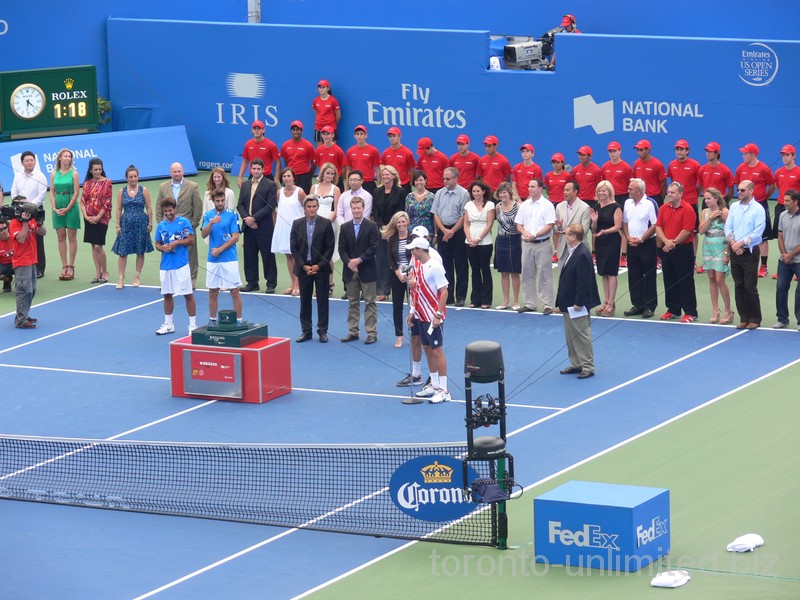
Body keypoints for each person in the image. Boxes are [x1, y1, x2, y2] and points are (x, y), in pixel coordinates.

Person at [406, 236, 451, 404]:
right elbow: (417, 291)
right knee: (427, 348)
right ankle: (434, 384)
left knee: (437, 350)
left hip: (432, 316)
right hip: (420, 314)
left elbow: (444, 291)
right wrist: (412, 311)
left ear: (420, 250)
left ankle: (444, 389)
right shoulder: (418, 266)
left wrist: (438, 315)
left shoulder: (435, 267)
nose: (411, 252)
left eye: (413, 249)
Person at [556, 224, 600, 380]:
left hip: (576, 304)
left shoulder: (582, 254)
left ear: (574, 237)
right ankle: (576, 363)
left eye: (567, 234)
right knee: (571, 335)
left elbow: (584, 281)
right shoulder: (573, 251)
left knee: (581, 334)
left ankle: (587, 366)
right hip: (568, 303)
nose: (565, 236)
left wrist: (579, 302)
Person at [290, 195, 335, 343]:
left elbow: (330, 247)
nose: (312, 209)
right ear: (304, 208)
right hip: (304, 270)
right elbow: (294, 248)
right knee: (305, 301)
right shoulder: (296, 224)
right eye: (309, 207)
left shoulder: (326, 223)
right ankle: (306, 331)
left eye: (314, 206)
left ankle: (322, 331)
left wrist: (319, 265)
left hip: (320, 269)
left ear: (317, 207)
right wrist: (303, 265)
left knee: (322, 302)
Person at [724, 180, 766, 329]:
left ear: (751, 191)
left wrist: (740, 244)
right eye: (738, 190)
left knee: (750, 286)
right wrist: (733, 243)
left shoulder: (758, 209)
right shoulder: (734, 207)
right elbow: (728, 226)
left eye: (742, 190)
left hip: (750, 252)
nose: (739, 193)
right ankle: (744, 317)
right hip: (736, 251)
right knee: (739, 285)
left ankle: (755, 318)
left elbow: (757, 233)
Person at [339, 196, 380, 344]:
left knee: (370, 302)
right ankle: (353, 331)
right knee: (353, 303)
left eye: (359, 208)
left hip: (367, 270)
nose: (356, 211)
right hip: (350, 272)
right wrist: (349, 262)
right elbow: (341, 249)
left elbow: (374, 247)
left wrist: (359, 259)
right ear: (351, 209)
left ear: (363, 209)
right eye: (354, 208)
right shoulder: (344, 227)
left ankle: (371, 332)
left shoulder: (372, 226)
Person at [656, 182, 699, 323]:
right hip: (667, 249)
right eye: (668, 192)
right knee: (669, 279)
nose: (669, 194)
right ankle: (673, 309)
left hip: (683, 250)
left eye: (672, 192)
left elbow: (687, 231)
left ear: (680, 193)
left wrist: (672, 243)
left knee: (685, 281)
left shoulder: (688, 209)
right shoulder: (663, 208)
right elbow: (659, 227)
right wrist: (666, 242)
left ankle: (691, 312)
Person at [154, 197, 196, 335]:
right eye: (165, 211)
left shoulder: (184, 223)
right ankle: (168, 324)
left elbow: (191, 240)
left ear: (175, 209)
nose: (168, 213)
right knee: (167, 295)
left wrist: (176, 243)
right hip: (166, 265)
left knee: (187, 294)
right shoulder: (161, 226)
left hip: (181, 265)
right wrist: (163, 248)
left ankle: (192, 325)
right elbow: (157, 244)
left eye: (170, 210)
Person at [157, 162, 203, 289]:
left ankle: (191, 280)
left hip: (185, 227)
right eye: (174, 172)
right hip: (168, 226)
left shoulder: (193, 186)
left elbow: (198, 207)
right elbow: (159, 207)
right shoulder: (163, 187)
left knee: (191, 254)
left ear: (183, 171)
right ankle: (169, 280)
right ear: (170, 173)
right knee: (167, 250)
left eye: (179, 171)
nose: (177, 174)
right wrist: (161, 224)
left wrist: (193, 224)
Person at [201, 188, 242, 325]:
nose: (220, 203)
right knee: (213, 291)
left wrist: (220, 249)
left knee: (234, 291)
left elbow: (235, 237)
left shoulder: (232, 215)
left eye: (222, 200)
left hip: (229, 259)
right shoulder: (208, 216)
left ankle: (239, 321)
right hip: (213, 260)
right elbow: (203, 234)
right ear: (213, 201)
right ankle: (212, 321)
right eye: (217, 201)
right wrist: (211, 222)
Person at [237, 158, 279, 293]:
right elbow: (240, 204)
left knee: (267, 256)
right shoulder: (245, 185)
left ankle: (271, 283)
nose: (255, 171)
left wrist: (254, 218)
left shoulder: (271, 185)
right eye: (253, 168)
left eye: (258, 169)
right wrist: (247, 219)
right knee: (249, 255)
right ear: (251, 169)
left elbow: (270, 206)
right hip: (248, 227)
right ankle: (252, 282)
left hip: (264, 227)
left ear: (263, 169)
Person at [515, 179, 555, 314]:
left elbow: (549, 225)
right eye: (528, 186)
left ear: (540, 188)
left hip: (542, 244)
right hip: (526, 244)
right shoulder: (524, 205)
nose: (530, 189)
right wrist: (525, 233)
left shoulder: (547, 205)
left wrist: (535, 235)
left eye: (533, 186)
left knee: (545, 274)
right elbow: (519, 224)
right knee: (526, 273)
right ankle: (530, 303)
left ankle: (547, 304)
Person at [734, 143, 775, 278]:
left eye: (746, 153)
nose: (743, 155)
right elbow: (739, 186)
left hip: (760, 204)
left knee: (762, 236)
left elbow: (772, 186)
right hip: (744, 205)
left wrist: (763, 198)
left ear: (753, 155)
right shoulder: (740, 168)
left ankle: (763, 266)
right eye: (743, 153)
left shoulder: (764, 168)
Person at [431, 167, 470, 306]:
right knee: (445, 265)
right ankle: (448, 295)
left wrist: (452, 231)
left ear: (455, 179)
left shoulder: (464, 193)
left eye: (447, 178)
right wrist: (443, 230)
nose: (445, 181)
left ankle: (460, 297)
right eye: (443, 178)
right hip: (443, 231)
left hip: (458, 232)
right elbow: (435, 213)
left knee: (461, 265)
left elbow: (464, 215)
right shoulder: (439, 193)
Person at [111, 165, 154, 289]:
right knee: (123, 252)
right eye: (131, 177)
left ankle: (137, 276)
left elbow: (149, 207)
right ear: (126, 178)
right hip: (126, 225)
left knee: (140, 251)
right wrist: (118, 225)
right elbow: (119, 209)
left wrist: (150, 223)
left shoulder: (144, 190)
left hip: (141, 224)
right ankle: (121, 278)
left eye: (135, 176)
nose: (133, 179)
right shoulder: (121, 191)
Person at [622, 179, 658, 319]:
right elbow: (625, 222)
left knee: (649, 275)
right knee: (634, 275)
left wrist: (641, 239)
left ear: (639, 191)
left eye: (631, 189)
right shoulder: (627, 203)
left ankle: (649, 306)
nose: (628, 191)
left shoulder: (650, 204)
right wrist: (628, 237)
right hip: (632, 244)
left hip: (647, 244)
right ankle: (637, 304)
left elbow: (655, 225)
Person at [8, 196, 46, 328]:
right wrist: (24, 222)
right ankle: (21, 320)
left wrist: (40, 222)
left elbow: (43, 232)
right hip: (21, 261)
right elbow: (22, 239)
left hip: (31, 260)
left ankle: (23, 313)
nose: (27, 206)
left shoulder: (31, 220)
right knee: (24, 290)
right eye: (24, 204)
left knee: (32, 290)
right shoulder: (14, 223)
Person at [698, 188, 733, 324]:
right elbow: (701, 231)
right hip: (708, 246)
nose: (706, 201)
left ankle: (728, 311)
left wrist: (726, 253)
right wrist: (710, 218)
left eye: (709, 198)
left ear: (716, 198)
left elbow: (729, 234)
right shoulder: (704, 213)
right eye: (705, 198)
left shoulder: (725, 212)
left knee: (720, 279)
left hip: (720, 246)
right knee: (711, 277)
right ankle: (715, 310)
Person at [589, 180, 622, 317]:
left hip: (612, 241)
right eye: (599, 191)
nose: (602, 193)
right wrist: (595, 222)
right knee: (603, 272)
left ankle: (611, 303)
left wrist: (605, 231)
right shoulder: (596, 207)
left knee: (611, 272)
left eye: (604, 190)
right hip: (600, 242)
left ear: (609, 191)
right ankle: (605, 301)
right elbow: (593, 230)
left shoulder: (616, 207)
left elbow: (617, 226)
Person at [372, 165, 405, 300]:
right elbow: (375, 212)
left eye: (388, 174)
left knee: (395, 259)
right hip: (381, 231)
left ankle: (398, 287)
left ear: (393, 176)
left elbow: (400, 210)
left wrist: (391, 229)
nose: (385, 177)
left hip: (396, 230)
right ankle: (383, 290)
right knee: (381, 260)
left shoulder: (401, 192)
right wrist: (383, 228)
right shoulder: (377, 191)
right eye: (383, 175)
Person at [272, 168, 306, 296]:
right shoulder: (279, 192)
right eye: (284, 176)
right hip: (283, 229)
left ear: (293, 178)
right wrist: (277, 226)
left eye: (289, 176)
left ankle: (298, 285)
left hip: (297, 229)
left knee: (297, 256)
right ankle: (293, 283)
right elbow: (276, 210)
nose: (286, 178)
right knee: (289, 256)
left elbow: (308, 207)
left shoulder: (300, 192)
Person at [46, 149, 78, 281]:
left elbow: (76, 192)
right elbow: (52, 192)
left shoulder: (74, 174)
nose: (67, 158)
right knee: (60, 237)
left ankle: (71, 266)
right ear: (59, 158)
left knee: (71, 237)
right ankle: (63, 266)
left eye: (69, 156)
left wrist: (68, 207)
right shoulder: (53, 174)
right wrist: (54, 208)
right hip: (57, 206)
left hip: (70, 206)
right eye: (65, 156)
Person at [310, 162, 341, 295]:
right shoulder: (313, 187)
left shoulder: (335, 189)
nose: (330, 176)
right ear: (322, 174)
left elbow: (337, 209)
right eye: (328, 173)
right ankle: (317, 285)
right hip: (314, 222)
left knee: (328, 255)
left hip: (329, 222)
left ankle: (329, 284)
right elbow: (309, 204)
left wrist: (327, 223)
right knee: (315, 254)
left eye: (332, 174)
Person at [80, 157, 113, 284]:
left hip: (102, 218)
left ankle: (105, 271)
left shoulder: (107, 182)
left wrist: (98, 217)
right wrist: (86, 216)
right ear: (91, 170)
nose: (98, 172)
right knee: (93, 245)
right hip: (88, 218)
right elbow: (83, 202)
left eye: (100, 169)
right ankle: (97, 272)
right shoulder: (87, 183)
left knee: (99, 245)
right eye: (95, 170)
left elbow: (107, 203)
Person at [383, 210, 412, 348]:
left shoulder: (413, 238)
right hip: (397, 277)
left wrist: (409, 274)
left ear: (407, 222)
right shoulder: (392, 239)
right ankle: (399, 336)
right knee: (397, 307)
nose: (401, 224)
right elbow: (389, 258)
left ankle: (415, 335)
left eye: (403, 221)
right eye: (398, 222)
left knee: (414, 307)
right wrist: (398, 273)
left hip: (412, 276)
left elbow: (415, 257)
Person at [464, 180, 495, 308]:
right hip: (470, 242)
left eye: (478, 191)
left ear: (483, 192)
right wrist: (469, 238)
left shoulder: (490, 205)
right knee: (475, 270)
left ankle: (486, 300)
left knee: (485, 269)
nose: (476, 193)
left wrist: (479, 239)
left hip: (485, 242)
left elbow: (489, 224)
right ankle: (475, 299)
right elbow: (466, 223)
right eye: (474, 191)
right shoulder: (468, 205)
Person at [602, 141, 633, 267]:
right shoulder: (605, 167)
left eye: (614, 151)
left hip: (622, 199)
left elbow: (630, 185)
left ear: (620, 151)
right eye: (610, 151)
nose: (612, 153)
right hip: (609, 199)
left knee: (622, 227)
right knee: (608, 226)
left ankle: (624, 256)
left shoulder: (626, 167)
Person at [493, 182, 522, 310]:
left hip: (515, 240)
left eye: (505, 192)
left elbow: (522, 225)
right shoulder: (497, 206)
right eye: (500, 192)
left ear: (510, 193)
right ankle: (506, 301)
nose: (502, 195)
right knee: (504, 272)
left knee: (515, 272)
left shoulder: (518, 207)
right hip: (501, 240)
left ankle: (516, 302)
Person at [774, 190, 800, 329]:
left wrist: (791, 255)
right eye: (784, 200)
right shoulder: (782, 215)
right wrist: (784, 254)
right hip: (784, 260)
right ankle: (782, 319)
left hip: (798, 261)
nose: (784, 203)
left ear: (795, 202)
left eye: (788, 201)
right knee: (781, 289)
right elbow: (780, 236)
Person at [773, 145, 799, 280]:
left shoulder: (799, 172)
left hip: (796, 208)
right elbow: (778, 186)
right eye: (783, 155)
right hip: (781, 206)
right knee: (781, 236)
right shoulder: (778, 172)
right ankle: (784, 264)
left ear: (793, 156)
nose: (784, 157)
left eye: (787, 155)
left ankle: (797, 268)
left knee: (797, 237)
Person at [554, 181, 591, 270]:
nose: (565, 192)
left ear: (575, 192)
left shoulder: (585, 207)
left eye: (567, 190)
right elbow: (555, 229)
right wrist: (558, 227)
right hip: (563, 248)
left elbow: (585, 229)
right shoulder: (559, 206)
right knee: (562, 278)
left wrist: (568, 231)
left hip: (579, 247)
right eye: (564, 190)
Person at [237, 120, 280, 187]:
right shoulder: (248, 144)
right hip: (252, 176)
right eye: (255, 128)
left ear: (263, 130)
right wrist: (240, 177)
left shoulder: (271, 145)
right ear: (252, 130)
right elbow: (245, 161)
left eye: (259, 128)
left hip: (267, 177)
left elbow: (278, 162)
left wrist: (276, 179)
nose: (256, 131)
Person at [280, 120, 316, 193]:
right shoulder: (285, 145)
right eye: (294, 130)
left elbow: (313, 163)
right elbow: (286, 161)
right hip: (291, 176)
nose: (296, 132)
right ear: (291, 131)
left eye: (298, 130)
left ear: (302, 131)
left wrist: (309, 176)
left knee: (305, 200)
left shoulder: (308, 146)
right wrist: (290, 172)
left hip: (304, 177)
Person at [345, 125, 381, 194]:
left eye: (361, 134)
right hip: (355, 183)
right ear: (354, 136)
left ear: (366, 135)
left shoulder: (373, 150)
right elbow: (348, 170)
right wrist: (347, 187)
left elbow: (378, 169)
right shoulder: (350, 151)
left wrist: (379, 184)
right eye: (357, 134)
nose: (359, 136)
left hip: (369, 183)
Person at [381, 126, 417, 195]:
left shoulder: (407, 153)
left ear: (399, 136)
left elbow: (412, 170)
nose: (392, 138)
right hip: (390, 185)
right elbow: (383, 168)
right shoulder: (385, 153)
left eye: (394, 136)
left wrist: (410, 183)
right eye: (390, 136)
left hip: (404, 185)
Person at [632, 139, 668, 206]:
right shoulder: (636, 164)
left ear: (648, 150)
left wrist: (661, 199)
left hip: (654, 197)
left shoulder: (657, 164)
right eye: (637, 150)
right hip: (640, 197)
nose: (639, 152)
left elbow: (663, 183)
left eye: (641, 150)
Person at [405, 170, 435, 235]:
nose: (418, 182)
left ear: (425, 181)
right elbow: (406, 215)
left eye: (421, 180)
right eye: (416, 180)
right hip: (412, 231)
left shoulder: (432, 197)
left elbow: (435, 217)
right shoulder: (409, 197)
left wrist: (436, 234)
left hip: (428, 231)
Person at [312, 79, 341, 144]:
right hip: (319, 128)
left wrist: (332, 124)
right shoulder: (316, 100)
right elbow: (316, 113)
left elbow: (338, 116)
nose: (321, 89)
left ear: (328, 88)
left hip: (331, 127)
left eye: (323, 87)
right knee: (320, 150)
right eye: (320, 87)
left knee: (332, 149)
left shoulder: (333, 101)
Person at [0, 219, 14, 293]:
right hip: (4, 264)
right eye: (1, 230)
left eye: (5, 228)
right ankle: (7, 280)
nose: (4, 231)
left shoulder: (15, 236)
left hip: (17, 262)